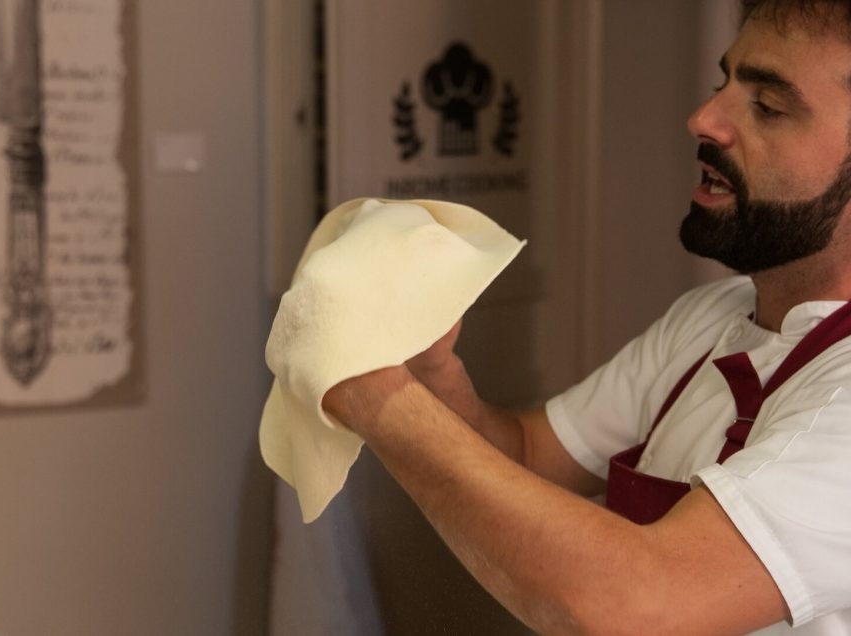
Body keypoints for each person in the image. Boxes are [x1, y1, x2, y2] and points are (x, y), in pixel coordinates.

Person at [322, 1, 851, 633]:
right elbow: (523, 457)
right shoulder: (709, 319)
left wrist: (374, 396)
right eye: (723, 83)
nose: (704, 119)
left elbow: (633, 606)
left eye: (767, 106)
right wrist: (432, 372)